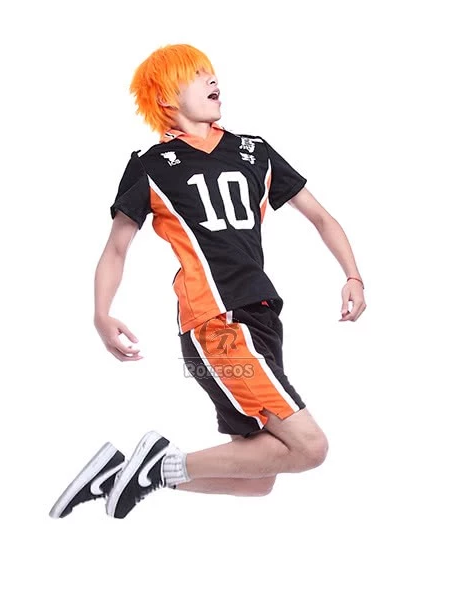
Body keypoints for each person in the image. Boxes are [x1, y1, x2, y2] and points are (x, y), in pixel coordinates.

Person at [49, 43, 366, 520]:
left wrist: (352, 275)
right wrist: (101, 313)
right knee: (311, 448)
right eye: (196, 75)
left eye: (212, 73)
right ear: (166, 98)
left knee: (258, 481)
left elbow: (320, 217)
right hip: (216, 322)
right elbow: (116, 247)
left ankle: (118, 476)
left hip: (262, 318)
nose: (212, 80)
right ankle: (156, 466)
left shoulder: (254, 151)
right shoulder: (152, 165)